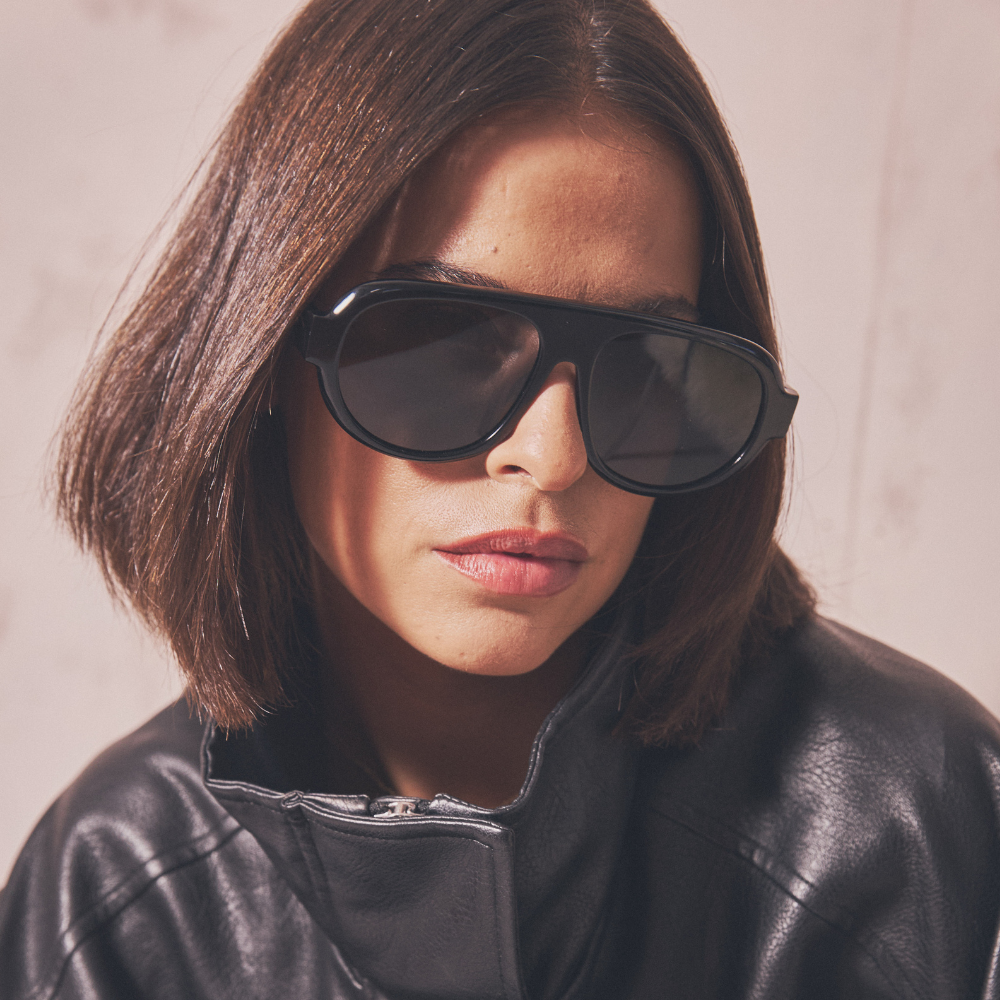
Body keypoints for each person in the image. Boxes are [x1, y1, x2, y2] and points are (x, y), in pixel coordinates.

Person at [1, 0, 998, 997]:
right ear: (258, 360)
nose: (554, 459)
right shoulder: (113, 897)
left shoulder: (923, 832)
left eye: (645, 365)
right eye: (443, 346)